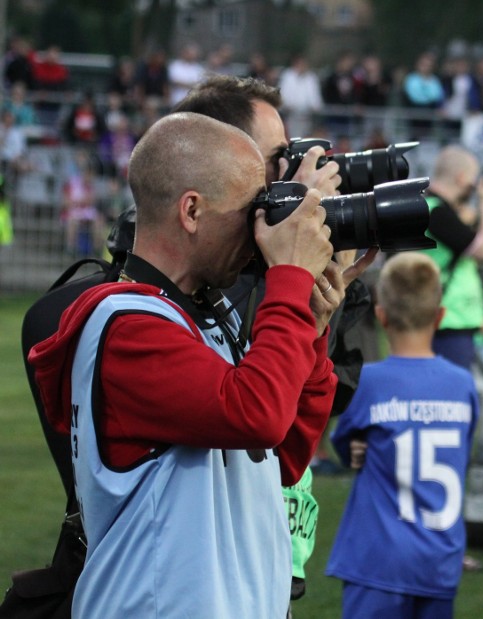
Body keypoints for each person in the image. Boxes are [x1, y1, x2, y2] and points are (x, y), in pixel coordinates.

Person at [27, 112, 341, 617]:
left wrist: (311, 326)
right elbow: (255, 414)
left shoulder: (202, 316)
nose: (260, 230)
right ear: (191, 210)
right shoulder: (124, 324)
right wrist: (287, 277)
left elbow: (280, 459)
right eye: (249, 211)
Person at [172, 73, 377, 606]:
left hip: (270, 549)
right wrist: (287, 264)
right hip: (198, 580)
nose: (289, 175)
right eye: (279, 159)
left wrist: (318, 311)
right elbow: (257, 414)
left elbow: (286, 451)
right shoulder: (158, 298)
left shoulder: (262, 268)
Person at [325, 252, 479, 618]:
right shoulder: (463, 385)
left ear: (381, 316)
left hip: (379, 559)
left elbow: (344, 444)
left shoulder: (372, 382)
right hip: (439, 559)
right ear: (440, 316)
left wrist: (358, 449)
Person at [419, 144, 483, 371]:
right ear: (462, 177)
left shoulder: (428, 207)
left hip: (439, 318)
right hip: (447, 322)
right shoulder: (436, 212)